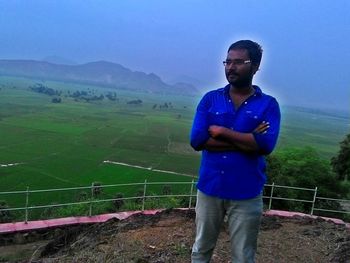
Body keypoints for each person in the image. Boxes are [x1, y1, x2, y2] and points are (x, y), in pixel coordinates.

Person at [190, 40, 281, 263]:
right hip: (210, 188)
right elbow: (197, 140)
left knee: (243, 254)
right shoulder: (210, 99)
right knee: (201, 248)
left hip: (247, 191)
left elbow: (266, 145)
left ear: (256, 66)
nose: (231, 67)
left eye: (239, 62)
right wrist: (248, 138)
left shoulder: (268, 105)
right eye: (228, 61)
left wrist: (221, 131)